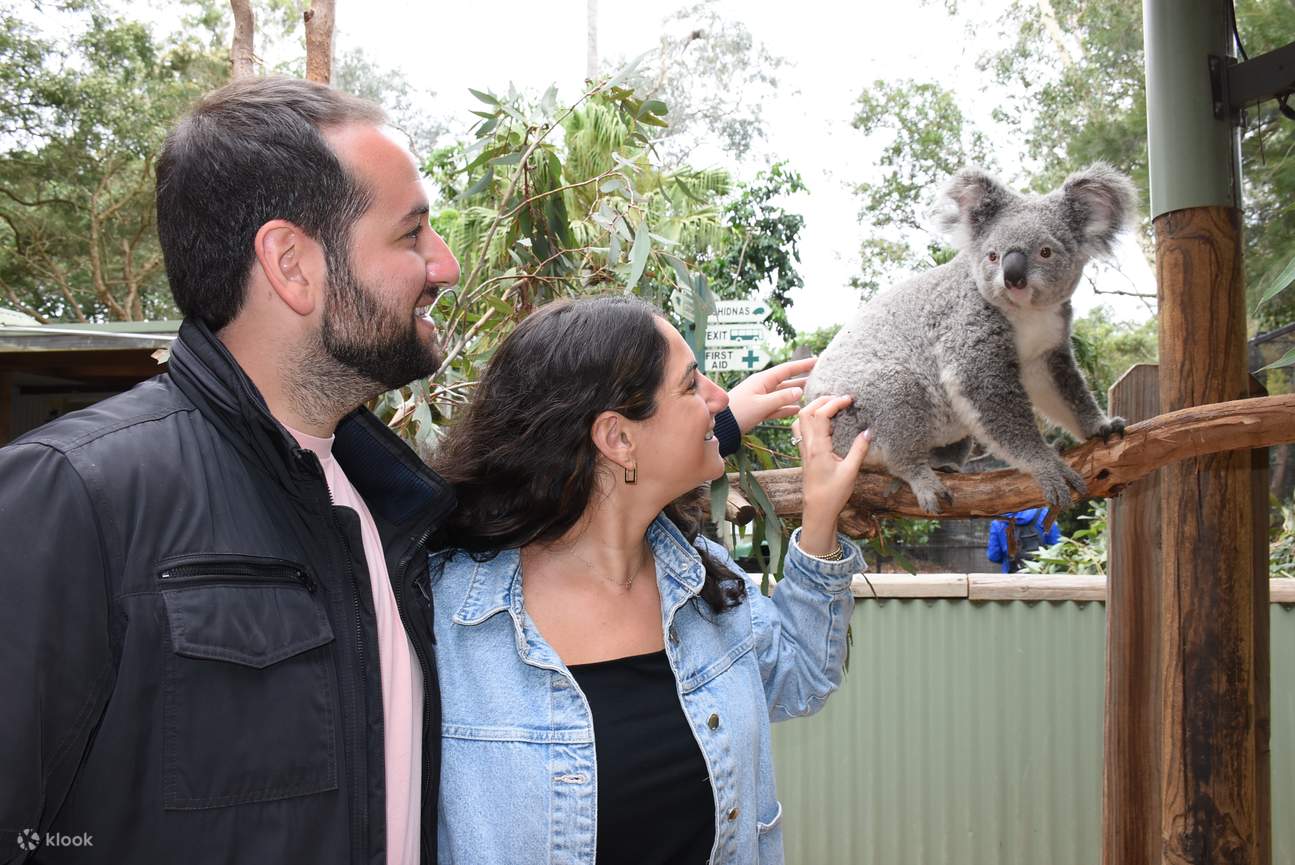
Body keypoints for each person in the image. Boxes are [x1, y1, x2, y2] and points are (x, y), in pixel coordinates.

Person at [0, 77, 812, 864]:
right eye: (410, 233)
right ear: (291, 263)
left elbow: (586, 488)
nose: (445, 264)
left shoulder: (391, 510)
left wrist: (719, 422)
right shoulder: (76, 495)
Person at [429, 295, 872, 865]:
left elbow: (801, 676)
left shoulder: (700, 580)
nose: (719, 397)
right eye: (692, 385)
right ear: (617, 438)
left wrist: (820, 517)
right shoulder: (445, 619)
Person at [986, 507, 1061, 573]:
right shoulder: (1045, 514)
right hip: (1042, 573)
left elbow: (994, 556)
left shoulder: (998, 521)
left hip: (1012, 575)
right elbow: (1057, 548)